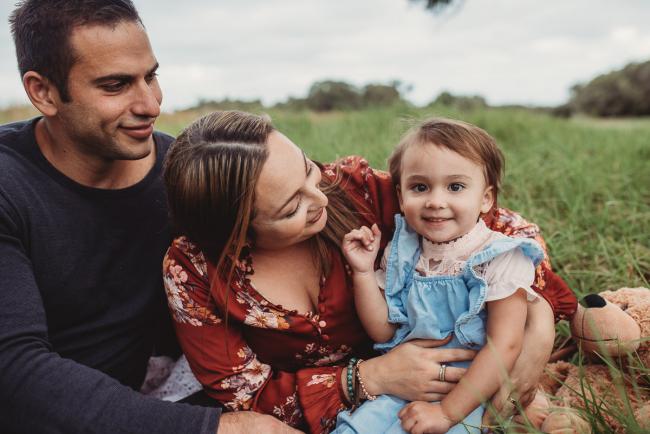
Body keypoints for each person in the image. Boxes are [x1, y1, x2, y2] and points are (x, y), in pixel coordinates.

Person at [162, 111, 578, 433]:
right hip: (370, 409)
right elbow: (245, 398)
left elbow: (506, 231)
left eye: (308, 170)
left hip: (464, 382)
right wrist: (368, 378)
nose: (319, 198)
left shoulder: (354, 190)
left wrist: (544, 321)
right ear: (237, 235)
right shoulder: (194, 273)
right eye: (292, 208)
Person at [0, 1, 298, 433]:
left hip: (170, 393)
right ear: (43, 92)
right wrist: (218, 429)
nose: (150, 103)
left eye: (151, 76)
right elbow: (16, 370)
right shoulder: (9, 185)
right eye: (116, 85)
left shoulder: (185, 175)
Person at [335, 118, 547, 434]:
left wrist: (447, 414)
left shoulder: (500, 255)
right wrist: (364, 272)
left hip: (470, 391)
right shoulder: (403, 251)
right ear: (401, 194)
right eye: (420, 187)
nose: (436, 201)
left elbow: (505, 345)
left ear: (485, 198)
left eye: (456, 187)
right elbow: (383, 331)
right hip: (405, 385)